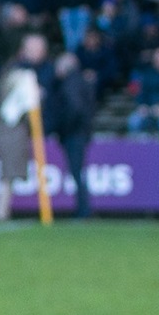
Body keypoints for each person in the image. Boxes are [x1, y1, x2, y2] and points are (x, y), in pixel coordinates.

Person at [44, 50, 98, 217]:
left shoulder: (70, 83)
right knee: (77, 172)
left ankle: (83, 210)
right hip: (80, 133)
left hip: (74, 134)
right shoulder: (81, 81)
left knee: (76, 172)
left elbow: (74, 109)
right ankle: (82, 209)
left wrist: (62, 127)